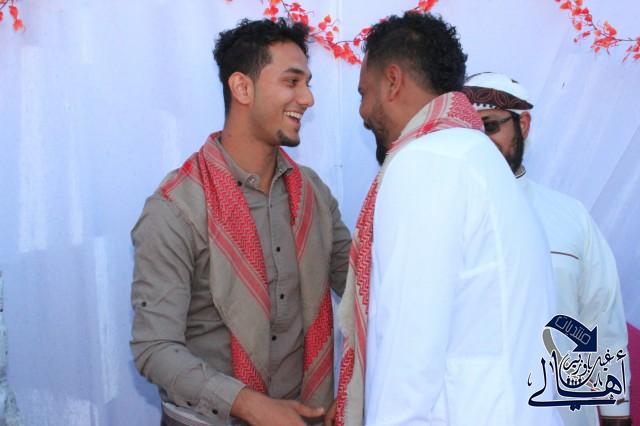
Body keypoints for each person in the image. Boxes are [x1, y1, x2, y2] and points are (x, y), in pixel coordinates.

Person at [331, 12, 562, 426]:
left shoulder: (426, 161)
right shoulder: (477, 158)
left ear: (392, 81)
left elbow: (408, 351)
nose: (363, 112)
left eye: (364, 92)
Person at [130, 18, 351, 426]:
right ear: (242, 88)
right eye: (292, 81)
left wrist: (355, 389)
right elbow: (155, 348)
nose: (307, 98)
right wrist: (249, 405)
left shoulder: (312, 194)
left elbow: (363, 294)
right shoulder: (176, 207)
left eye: (308, 83)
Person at [463, 72, 631, 426]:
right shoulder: (443, 217)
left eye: (490, 126)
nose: (480, 141)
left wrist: (615, 413)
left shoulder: (570, 218)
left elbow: (599, 321)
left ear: (522, 125)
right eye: (469, 130)